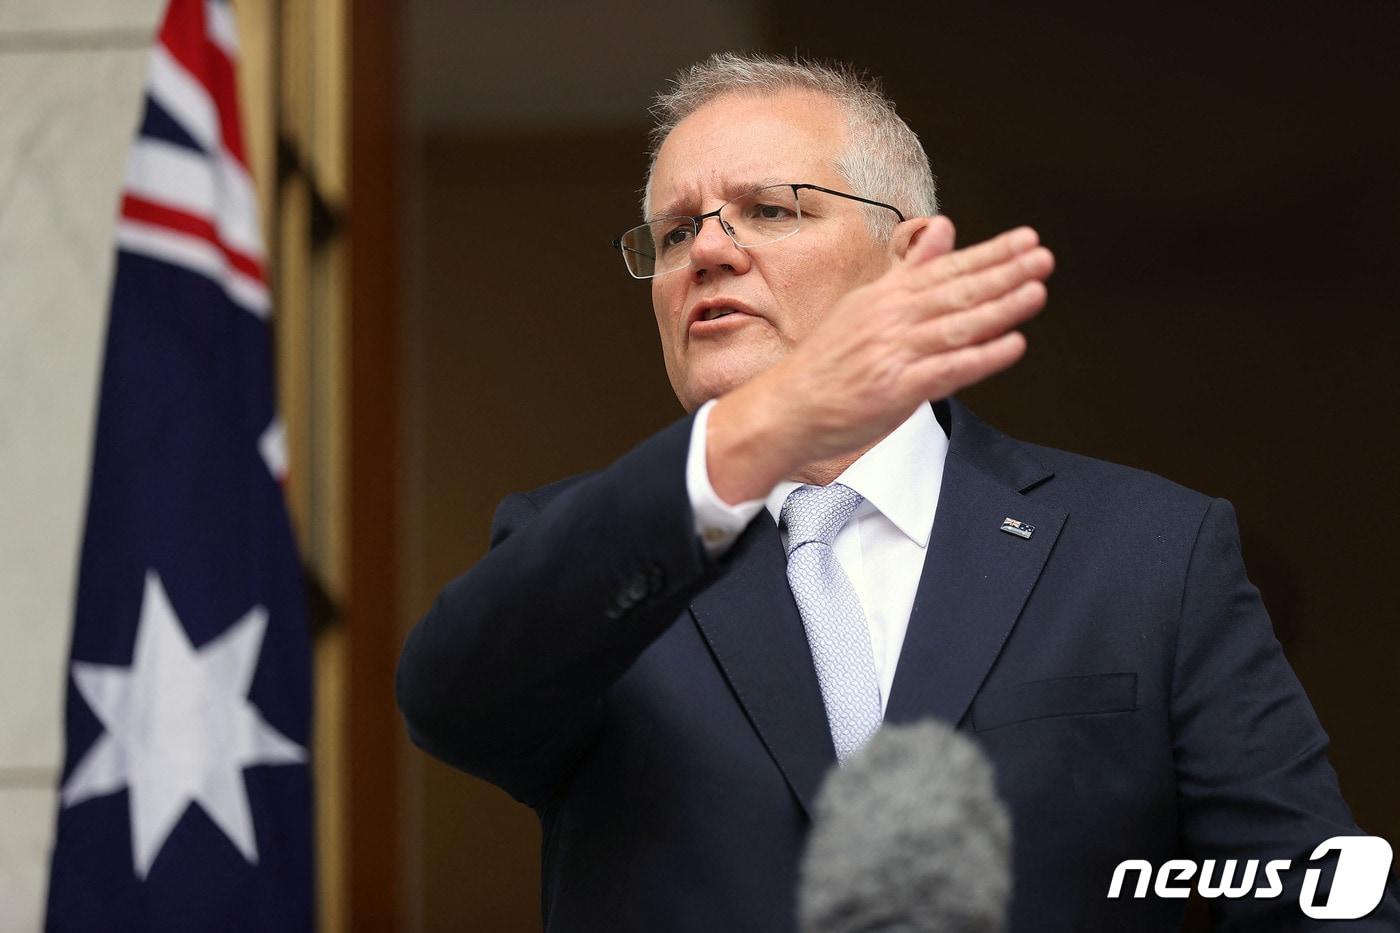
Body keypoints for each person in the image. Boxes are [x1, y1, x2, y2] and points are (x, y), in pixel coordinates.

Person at [396, 53, 1398, 931]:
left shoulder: (1146, 552)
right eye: (669, 235)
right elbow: (451, 700)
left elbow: (1312, 897)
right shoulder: (580, 548)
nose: (704, 249)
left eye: (769, 209)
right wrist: (749, 436)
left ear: (910, 257)